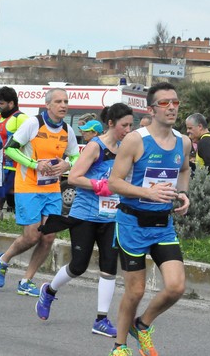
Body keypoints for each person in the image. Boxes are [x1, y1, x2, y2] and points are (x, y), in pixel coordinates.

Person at [34, 103, 134, 339]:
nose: (129, 130)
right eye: (124, 125)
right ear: (111, 124)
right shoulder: (95, 147)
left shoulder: (127, 148)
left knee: (109, 267)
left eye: (131, 125)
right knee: (79, 265)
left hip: (112, 216)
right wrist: (97, 184)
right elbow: (75, 177)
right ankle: (49, 291)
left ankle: (101, 319)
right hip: (86, 215)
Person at [107, 82, 191, 356]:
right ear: (151, 109)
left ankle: (142, 325)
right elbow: (114, 183)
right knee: (135, 291)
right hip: (132, 224)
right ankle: (120, 346)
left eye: (175, 102)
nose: (171, 108)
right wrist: (147, 192)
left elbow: (184, 169)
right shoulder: (136, 140)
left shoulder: (183, 141)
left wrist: (182, 194)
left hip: (162, 226)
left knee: (177, 286)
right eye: (165, 103)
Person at [0, 88, 80, 296]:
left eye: (66, 101)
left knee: (48, 237)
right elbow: (10, 149)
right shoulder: (33, 123)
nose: (63, 105)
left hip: (52, 188)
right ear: (48, 105)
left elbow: (76, 157)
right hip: (28, 186)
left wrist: (67, 165)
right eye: (58, 101)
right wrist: (33, 164)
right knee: (32, 236)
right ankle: (3, 260)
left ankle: (26, 280)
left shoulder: (68, 130)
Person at [0, 86, 27, 214]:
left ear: (11, 103)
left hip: (14, 167)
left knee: (7, 197)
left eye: (1, 103)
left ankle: (14, 220)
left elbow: (30, 140)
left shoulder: (21, 118)